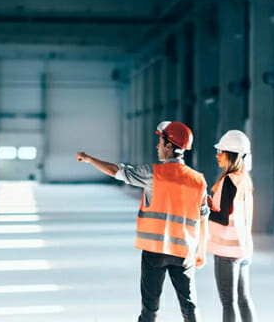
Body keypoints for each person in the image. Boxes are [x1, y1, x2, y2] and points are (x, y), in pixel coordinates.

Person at [76, 121, 209, 322]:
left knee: (149, 310)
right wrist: (201, 251)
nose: (157, 146)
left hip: (154, 251)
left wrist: (89, 159)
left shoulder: (154, 174)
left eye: (160, 141)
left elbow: (116, 171)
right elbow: (202, 217)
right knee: (190, 308)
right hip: (184, 252)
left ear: (169, 146)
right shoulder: (198, 180)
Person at [207, 130, 256, 322]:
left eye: (221, 151)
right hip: (243, 248)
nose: (217, 155)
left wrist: (204, 208)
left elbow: (222, 218)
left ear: (232, 154)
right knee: (243, 299)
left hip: (226, 251)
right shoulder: (243, 179)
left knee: (228, 302)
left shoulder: (228, 181)